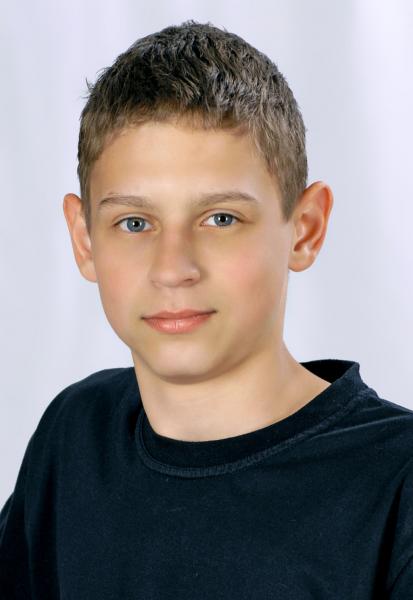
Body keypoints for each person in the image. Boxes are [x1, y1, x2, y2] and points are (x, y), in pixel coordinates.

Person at [0, 19, 412, 599]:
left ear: (304, 229)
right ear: (84, 239)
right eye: (134, 223)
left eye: (221, 218)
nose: (173, 268)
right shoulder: (75, 437)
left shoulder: (396, 487)